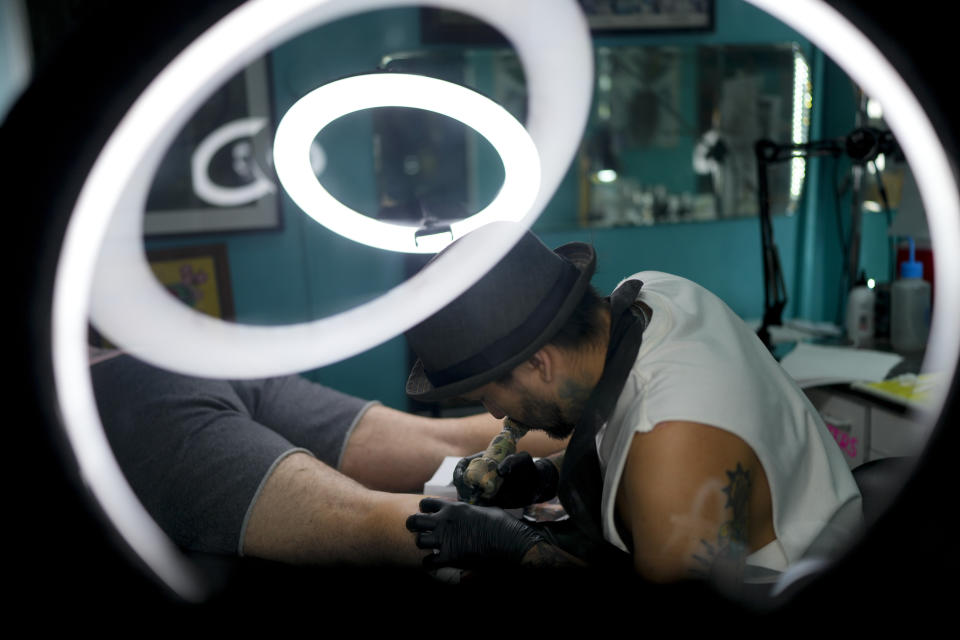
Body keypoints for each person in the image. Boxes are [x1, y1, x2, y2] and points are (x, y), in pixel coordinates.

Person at [403, 223, 863, 599]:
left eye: (486, 396)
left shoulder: (675, 445)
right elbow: (625, 439)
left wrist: (517, 548)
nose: (495, 414)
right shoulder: (649, 296)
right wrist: (547, 477)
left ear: (537, 363)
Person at [88, 347, 564, 568]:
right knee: (358, 518)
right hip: (123, 389)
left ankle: (600, 419)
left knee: (438, 445)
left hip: (175, 357)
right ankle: (541, 553)